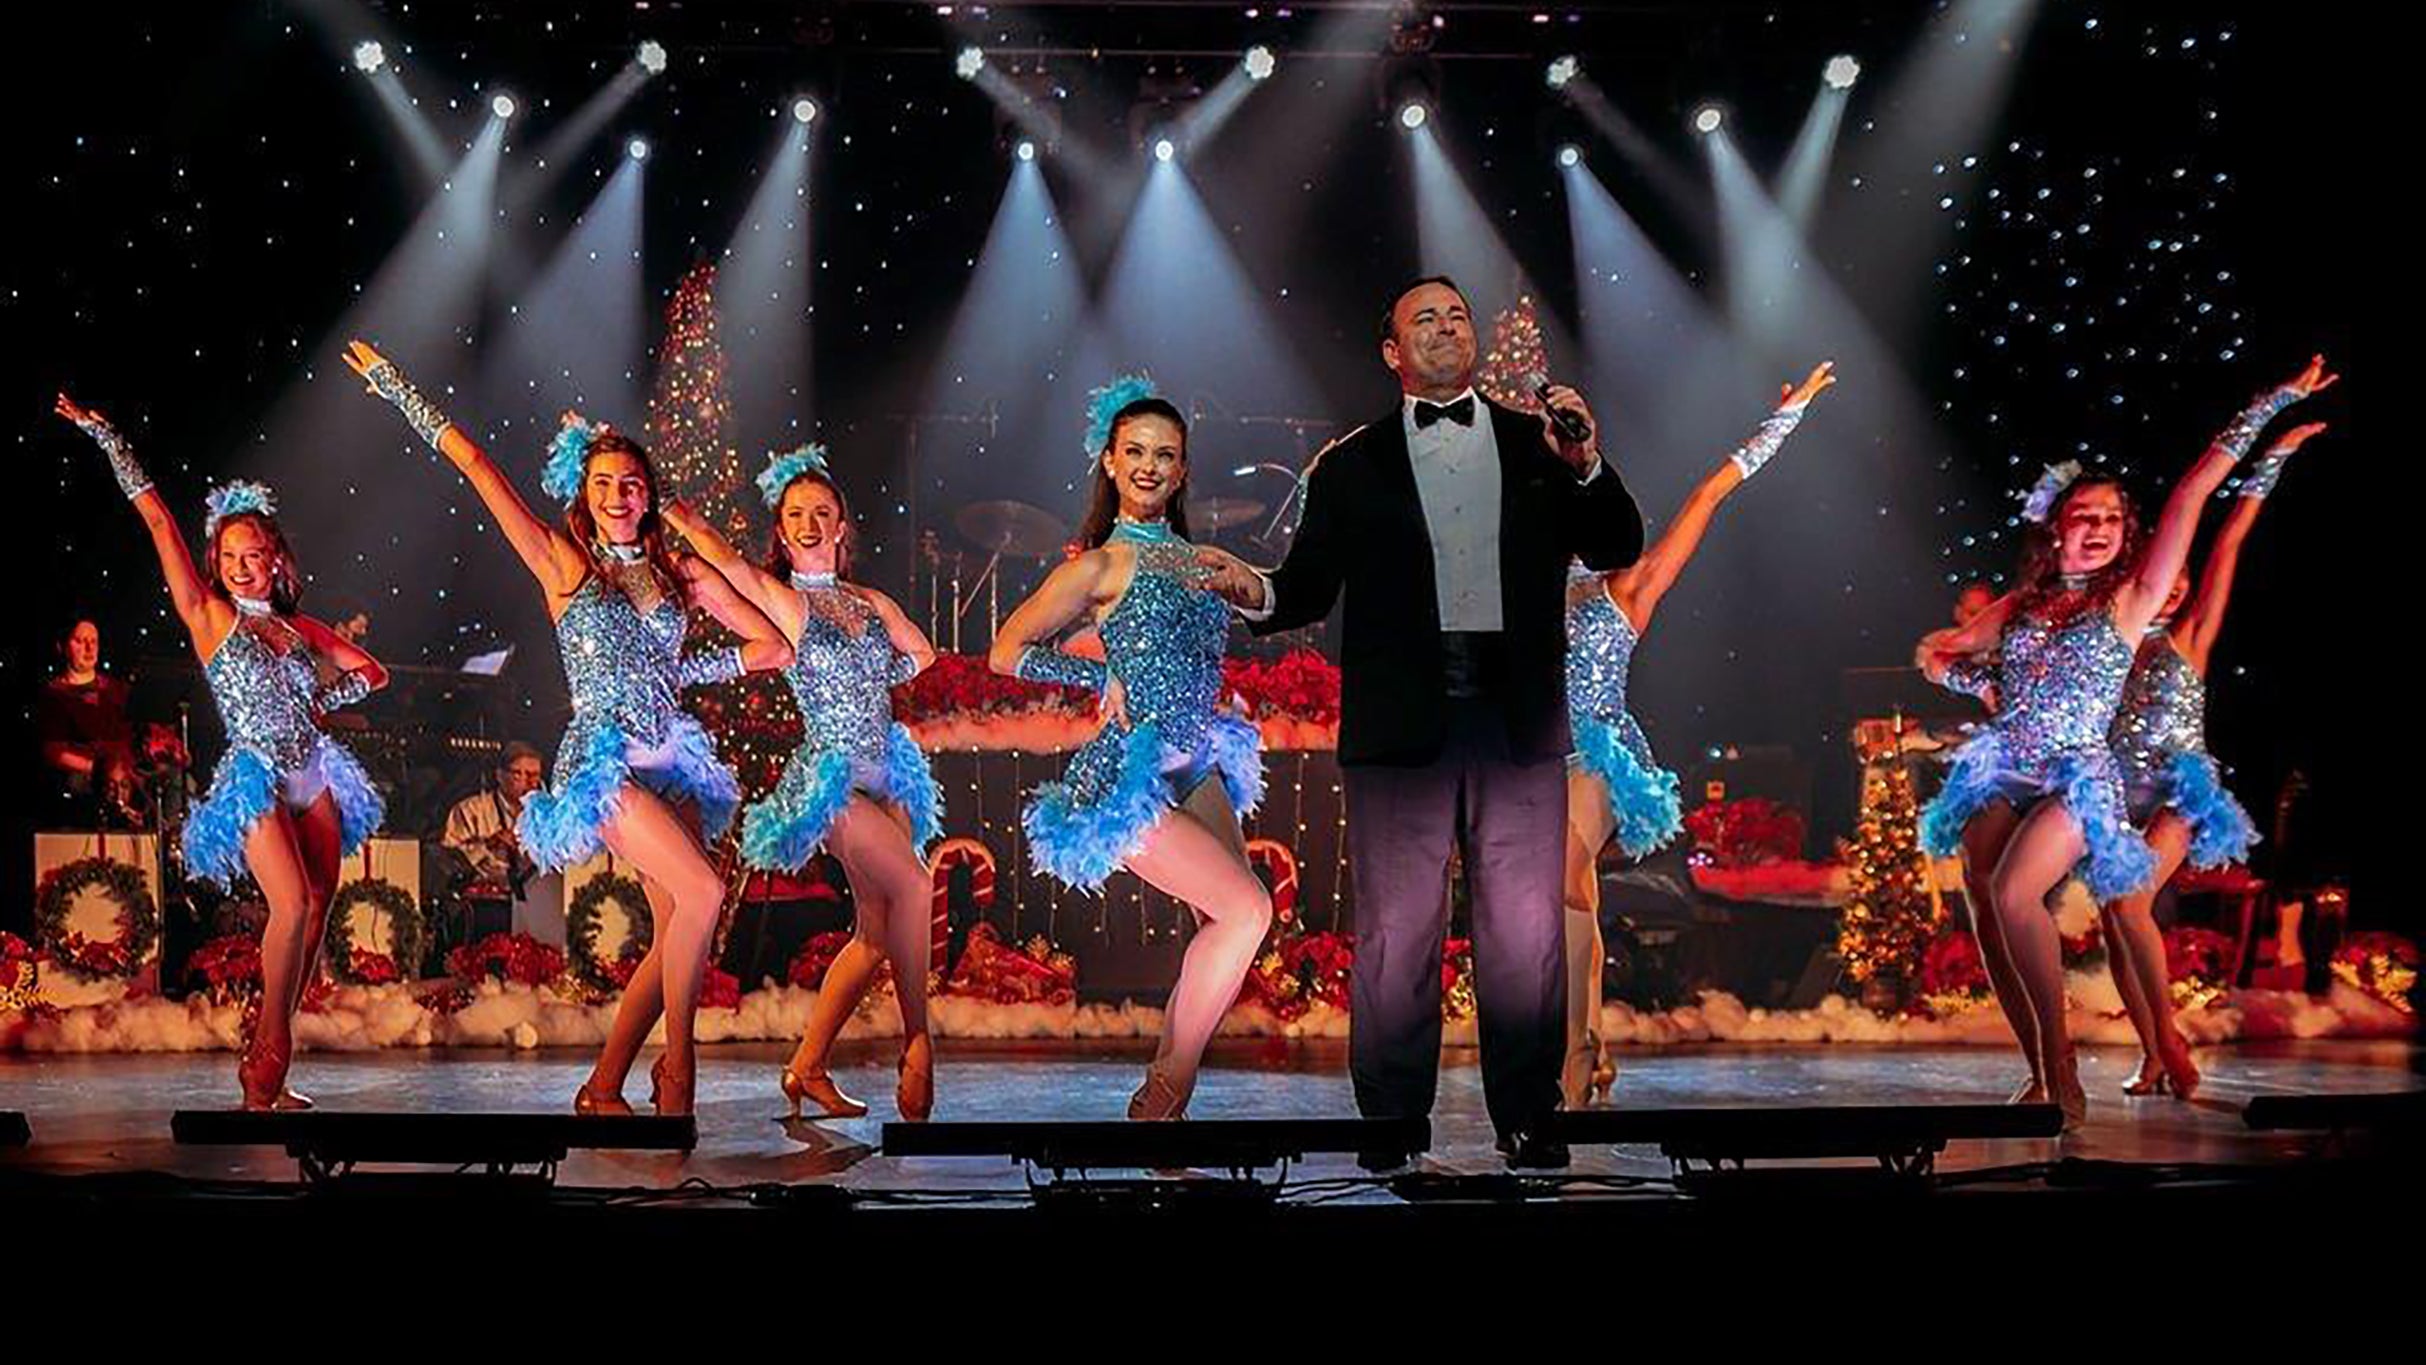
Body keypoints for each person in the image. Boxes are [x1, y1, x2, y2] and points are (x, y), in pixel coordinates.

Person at [1194, 278, 1644, 1168]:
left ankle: (1530, 1116)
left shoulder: (1538, 443)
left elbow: (1617, 545)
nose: (1445, 327)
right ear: (1392, 353)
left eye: (1456, 316)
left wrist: (1587, 460)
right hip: (1403, 721)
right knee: (1398, 933)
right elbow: (1306, 588)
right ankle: (1392, 1123)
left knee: (1525, 932)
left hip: (1515, 717)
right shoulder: (1351, 465)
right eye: (1424, 319)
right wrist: (1255, 590)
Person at [344, 341, 793, 1116]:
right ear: (583, 493)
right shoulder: (565, 565)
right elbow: (480, 468)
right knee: (705, 890)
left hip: (673, 760)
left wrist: (687, 670)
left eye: (631, 482)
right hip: (604, 764)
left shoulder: (679, 574)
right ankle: (678, 1069)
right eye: (603, 482)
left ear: (649, 495)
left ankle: (603, 1084)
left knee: (678, 928)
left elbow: (772, 644)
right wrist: (398, 389)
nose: (618, 494)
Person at [58, 394, 389, 1110]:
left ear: (275, 559)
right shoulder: (209, 615)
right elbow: (157, 518)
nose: (240, 567)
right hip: (256, 774)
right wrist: (108, 437)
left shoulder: (300, 628)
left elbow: (373, 672)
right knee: (290, 904)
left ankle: (271, 1056)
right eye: (229, 556)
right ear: (215, 561)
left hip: (313, 772)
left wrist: (323, 699)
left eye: (253, 555)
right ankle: (266, 1059)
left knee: (318, 910)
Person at [991, 378, 1272, 1120]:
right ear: (1111, 462)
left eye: (1165, 455)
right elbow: (1006, 652)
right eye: (1136, 452)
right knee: (1247, 911)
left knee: (1227, 924)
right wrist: (1098, 673)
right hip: (1128, 773)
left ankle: (1165, 1108)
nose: (1150, 466)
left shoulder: (1203, 559)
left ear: (1182, 471)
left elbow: (1258, 604)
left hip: (1197, 764)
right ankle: (1164, 1091)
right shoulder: (1099, 566)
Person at [665, 445, 944, 1122]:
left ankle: (808, 1066)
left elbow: (923, 652)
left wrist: (882, 676)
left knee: (875, 934)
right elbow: (726, 561)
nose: (811, 523)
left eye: (822, 512)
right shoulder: (787, 601)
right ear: (783, 532)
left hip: (888, 776)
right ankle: (918, 1044)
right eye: (796, 514)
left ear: (842, 526)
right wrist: (669, 509)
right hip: (834, 782)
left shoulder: (872, 602)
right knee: (914, 884)